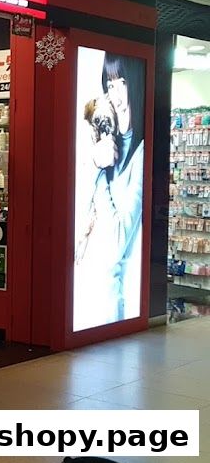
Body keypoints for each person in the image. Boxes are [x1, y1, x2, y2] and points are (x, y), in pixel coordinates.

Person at [77, 53, 144, 327]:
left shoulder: (141, 153)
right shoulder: (104, 139)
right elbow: (75, 210)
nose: (114, 95)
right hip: (82, 287)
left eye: (122, 83)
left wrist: (101, 174)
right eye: (110, 84)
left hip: (107, 304)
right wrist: (95, 162)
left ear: (136, 85)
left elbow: (118, 240)